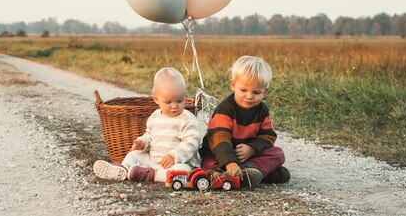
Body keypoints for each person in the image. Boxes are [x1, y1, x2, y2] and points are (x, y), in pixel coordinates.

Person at [93, 67, 202, 183]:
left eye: (180, 100)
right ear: (156, 99)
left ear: (184, 96)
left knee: (183, 172)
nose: (174, 106)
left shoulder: (187, 118)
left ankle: (151, 175)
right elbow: (150, 136)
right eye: (168, 102)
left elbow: (192, 141)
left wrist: (175, 155)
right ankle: (123, 168)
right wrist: (143, 142)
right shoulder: (155, 116)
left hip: (179, 162)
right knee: (134, 154)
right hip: (154, 160)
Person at [199, 55, 290, 189]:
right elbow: (219, 139)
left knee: (278, 153)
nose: (249, 96)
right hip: (220, 154)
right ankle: (251, 173)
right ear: (233, 85)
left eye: (256, 92)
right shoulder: (225, 109)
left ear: (265, 91)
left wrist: (252, 149)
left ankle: (248, 171)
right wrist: (230, 163)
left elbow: (268, 137)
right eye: (243, 90)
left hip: (248, 156)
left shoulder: (262, 110)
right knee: (208, 165)